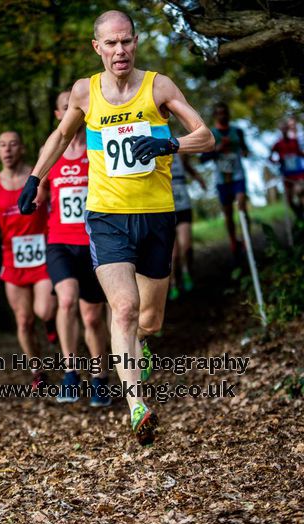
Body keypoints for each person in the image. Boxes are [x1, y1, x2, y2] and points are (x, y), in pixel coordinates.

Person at [18, 10, 214, 445]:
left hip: (157, 215)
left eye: (126, 41)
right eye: (111, 43)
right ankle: (137, 405)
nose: (119, 50)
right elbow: (58, 136)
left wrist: (170, 142)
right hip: (106, 217)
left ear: (136, 42)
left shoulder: (157, 86)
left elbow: (206, 135)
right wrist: (35, 178)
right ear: (97, 47)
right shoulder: (85, 92)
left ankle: (143, 346)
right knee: (122, 308)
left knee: (150, 318)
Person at [0, 131, 57, 389]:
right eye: (2, 145)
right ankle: (37, 371)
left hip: (42, 255)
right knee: (23, 320)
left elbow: (57, 201)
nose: (7, 150)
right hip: (13, 260)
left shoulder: (40, 178)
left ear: (22, 149)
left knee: (44, 309)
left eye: (13, 144)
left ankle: (51, 323)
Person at [38, 90, 110, 407]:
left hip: (93, 243)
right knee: (66, 300)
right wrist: (35, 198)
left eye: (76, 106)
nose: (72, 111)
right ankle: (70, 374)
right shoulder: (50, 149)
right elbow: (38, 186)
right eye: (65, 108)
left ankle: (100, 379)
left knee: (93, 318)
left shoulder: (97, 146)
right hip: (60, 242)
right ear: (58, 115)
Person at [202, 102, 249, 261]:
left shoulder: (238, 132)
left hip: (237, 175)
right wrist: (218, 150)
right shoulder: (211, 134)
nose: (223, 115)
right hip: (222, 180)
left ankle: (246, 238)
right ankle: (233, 241)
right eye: (219, 113)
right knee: (228, 214)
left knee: (242, 204)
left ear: (228, 114)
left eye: (225, 112)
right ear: (215, 116)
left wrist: (244, 151)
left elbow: (245, 148)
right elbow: (203, 158)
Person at [168, 154, 206, 301]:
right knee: (174, 254)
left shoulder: (180, 152)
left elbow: (189, 168)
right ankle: (173, 284)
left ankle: (187, 273)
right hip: (167, 207)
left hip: (183, 204)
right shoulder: (153, 149)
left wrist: (199, 179)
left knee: (186, 246)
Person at [270, 120, 304, 220]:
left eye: (286, 128)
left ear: (288, 129)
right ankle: (299, 215)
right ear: (280, 130)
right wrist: (278, 161)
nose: (284, 130)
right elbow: (270, 158)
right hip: (286, 175)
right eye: (282, 129)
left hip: (298, 173)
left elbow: (299, 153)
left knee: (300, 191)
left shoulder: (295, 141)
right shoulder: (277, 144)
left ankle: (302, 215)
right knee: (289, 200)